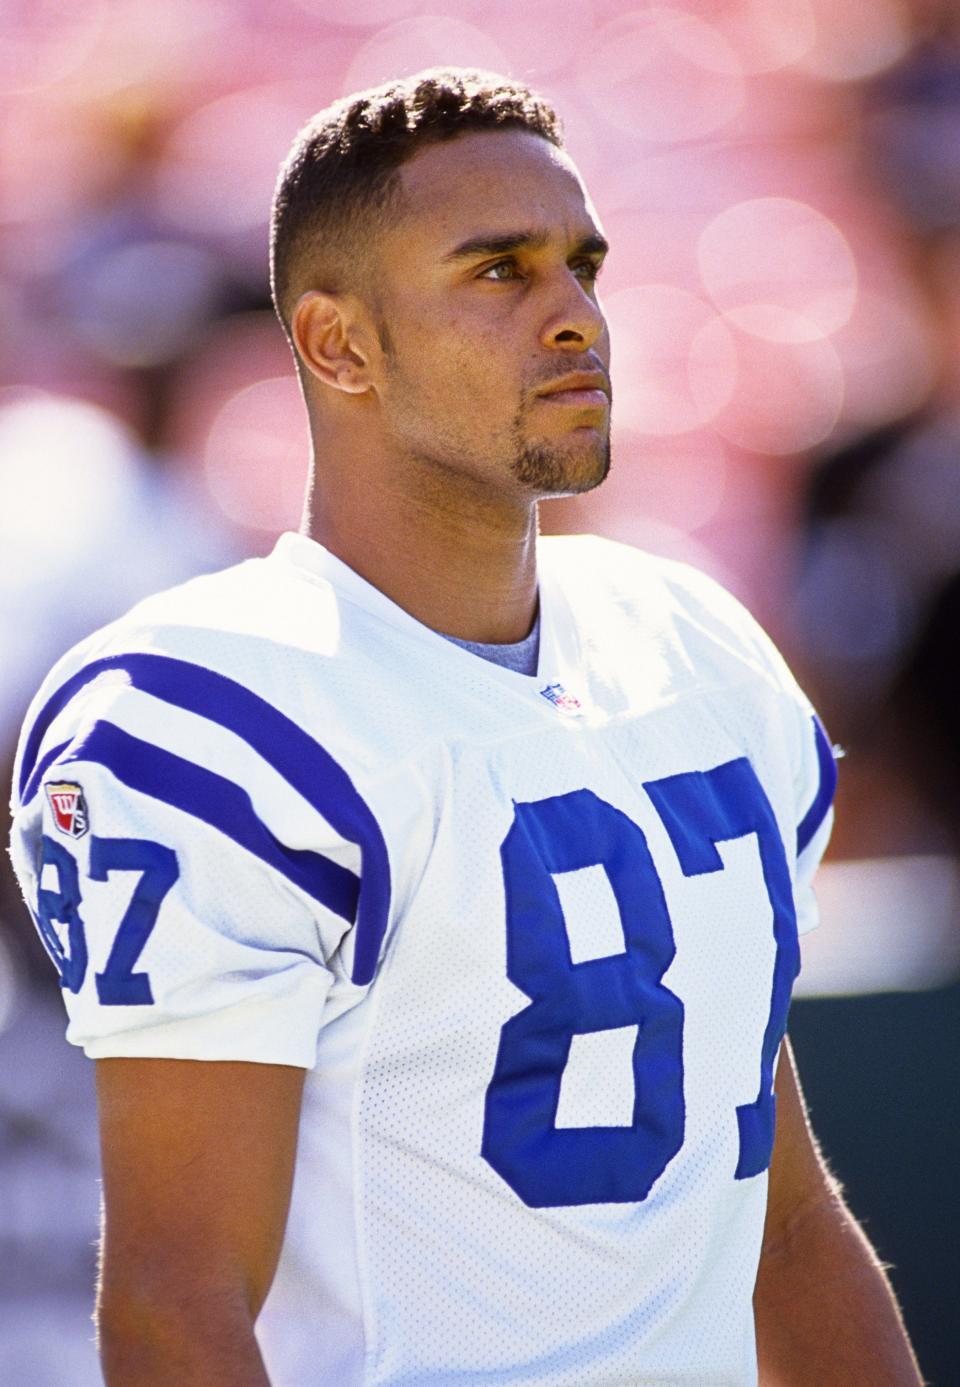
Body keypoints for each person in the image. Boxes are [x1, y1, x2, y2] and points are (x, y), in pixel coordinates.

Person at [9, 69, 922, 1387]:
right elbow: (174, 1300)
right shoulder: (212, 709)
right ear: (340, 346)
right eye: (499, 273)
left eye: (582, 265)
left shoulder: (697, 650)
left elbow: (780, 1227)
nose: (574, 318)